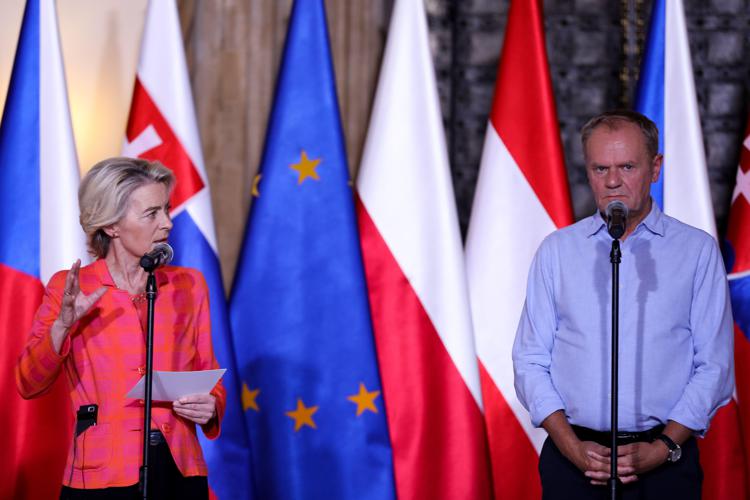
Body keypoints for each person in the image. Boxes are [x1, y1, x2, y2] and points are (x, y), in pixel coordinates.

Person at [512, 110, 734, 499]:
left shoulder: (696, 251)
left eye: (627, 166)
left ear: (655, 168)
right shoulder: (558, 251)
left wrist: (664, 447)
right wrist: (570, 447)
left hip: (664, 463)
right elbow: (530, 360)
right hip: (573, 460)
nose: (613, 181)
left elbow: (714, 365)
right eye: (600, 169)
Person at [16, 157, 226, 499]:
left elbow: (208, 373)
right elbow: (28, 382)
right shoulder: (72, 287)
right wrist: (62, 327)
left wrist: (211, 405)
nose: (168, 223)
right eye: (152, 213)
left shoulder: (190, 285)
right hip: (102, 475)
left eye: (167, 210)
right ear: (111, 225)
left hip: (179, 469)